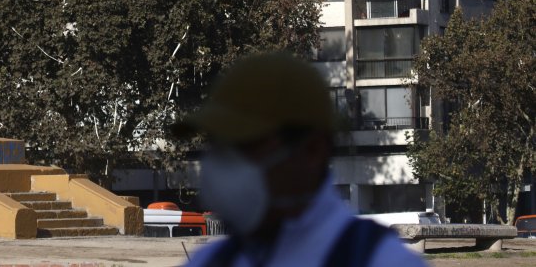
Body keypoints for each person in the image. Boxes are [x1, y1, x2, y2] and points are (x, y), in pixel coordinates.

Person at [172, 52, 428, 267]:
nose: (220, 165)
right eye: (217, 145)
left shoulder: (382, 260)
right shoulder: (209, 261)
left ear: (312, 150)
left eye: (244, 145)